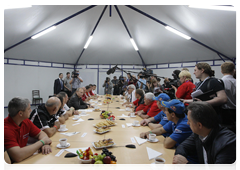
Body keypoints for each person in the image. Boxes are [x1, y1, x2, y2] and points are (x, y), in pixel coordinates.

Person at [172, 102, 238, 170]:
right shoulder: (199, 133)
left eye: (189, 121)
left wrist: (187, 165)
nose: (187, 123)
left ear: (199, 125)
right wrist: (179, 160)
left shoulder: (227, 144)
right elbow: (183, 147)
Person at [4, 97, 52, 163]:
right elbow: (18, 156)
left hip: (25, 159)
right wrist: (42, 142)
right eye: (28, 109)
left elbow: (41, 133)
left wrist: (45, 144)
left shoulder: (25, 121)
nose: (31, 111)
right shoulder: (6, 129)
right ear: (20, 113)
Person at [220, 62, 238, 126]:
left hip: (226, 110)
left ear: (221, 71)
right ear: (233, 71)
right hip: (236, 109)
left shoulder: (220, 81)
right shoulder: (236, 81)